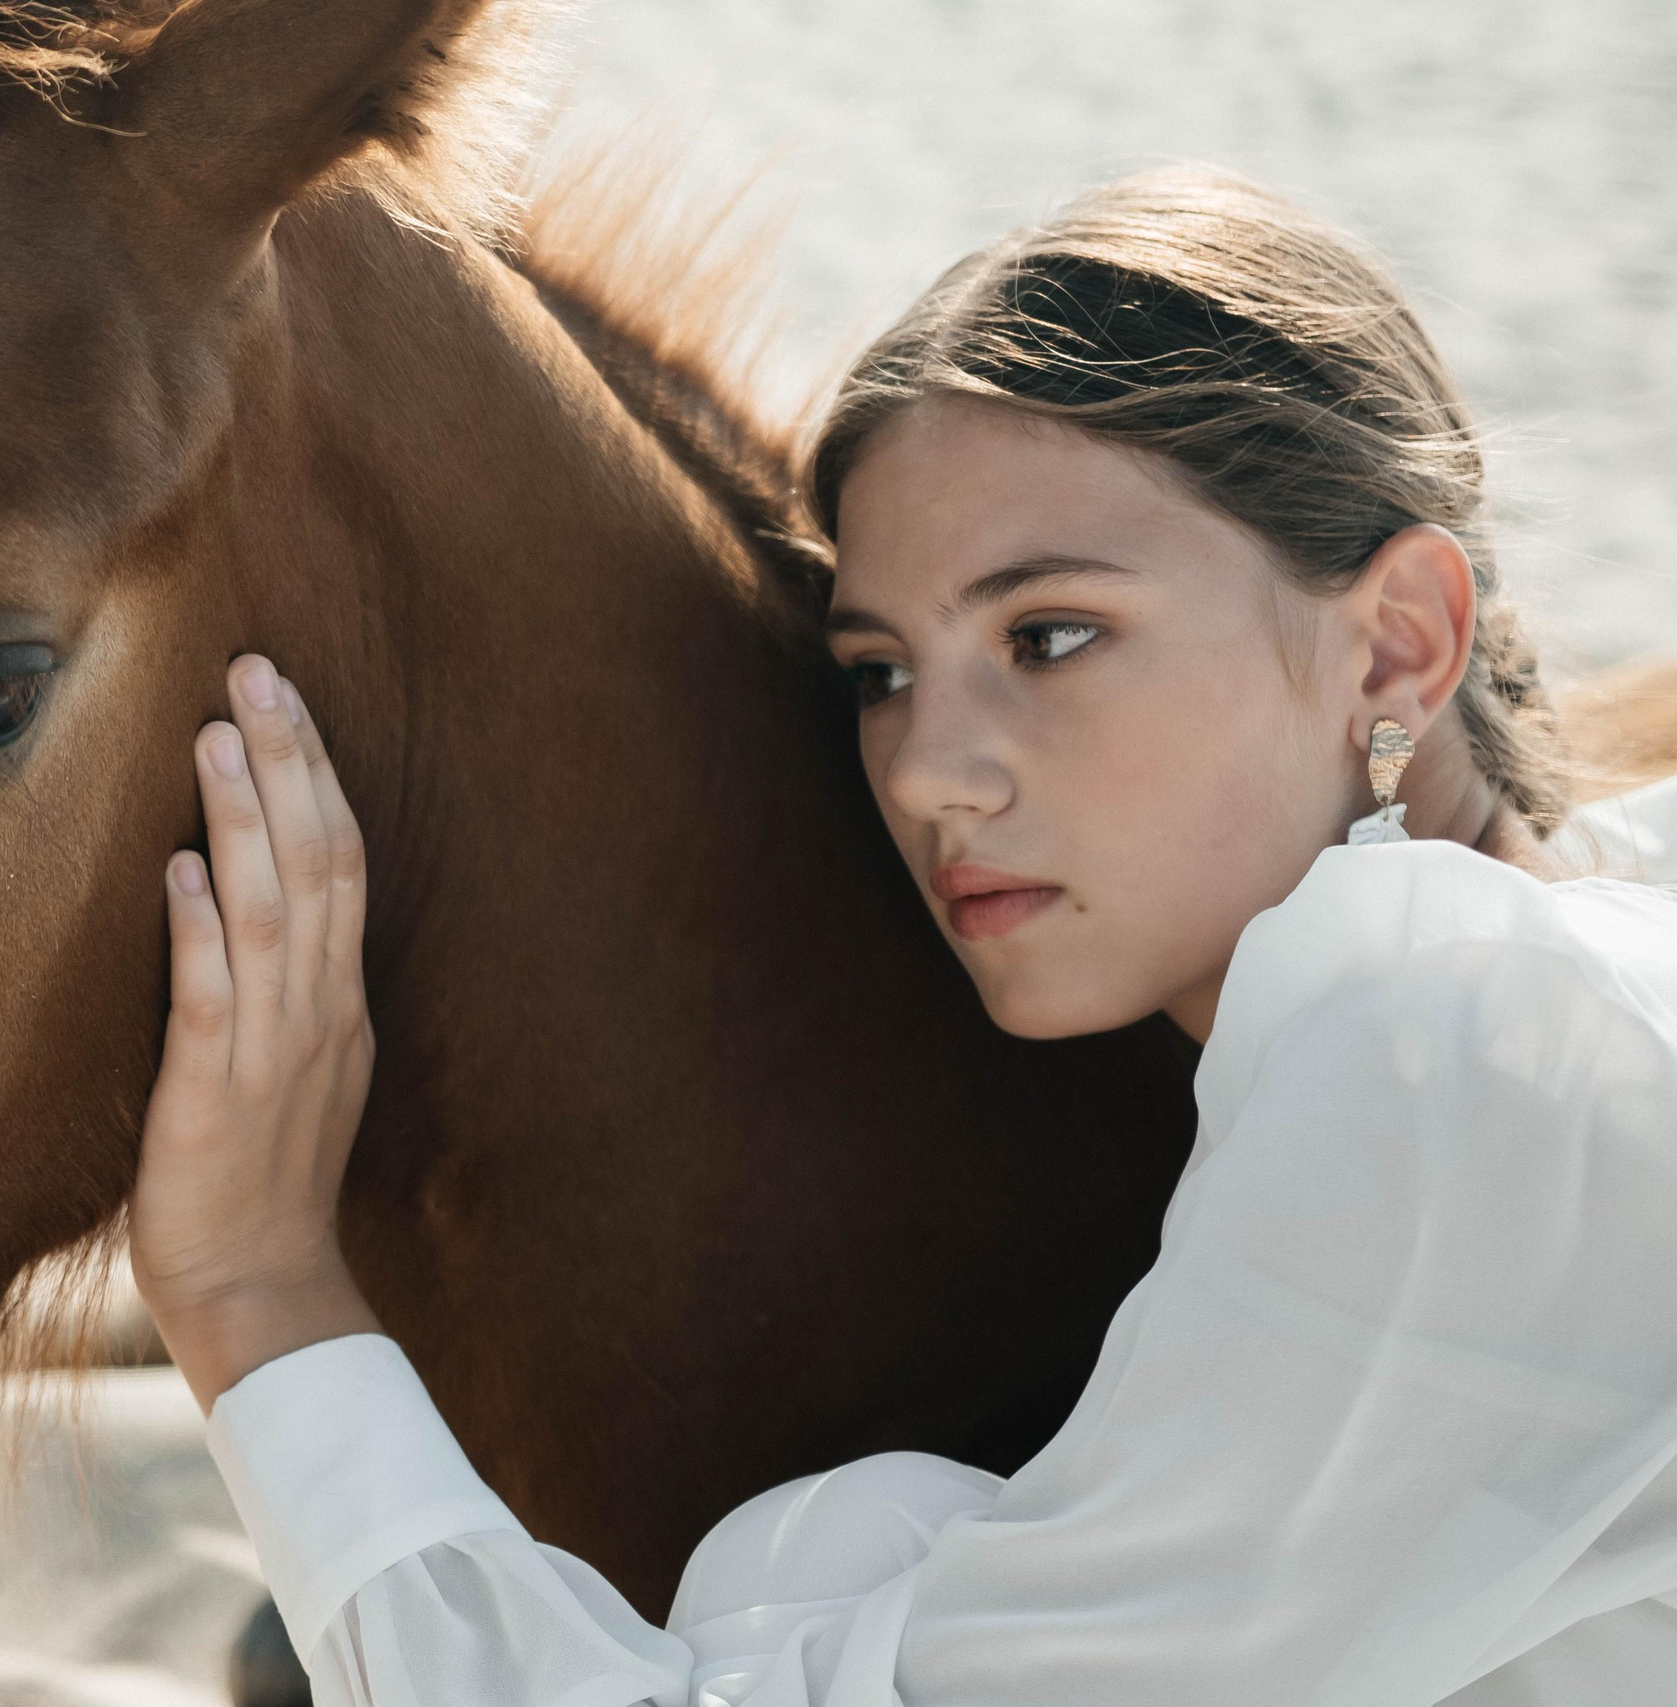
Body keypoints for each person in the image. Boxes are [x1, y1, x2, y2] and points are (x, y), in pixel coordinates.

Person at [123, 168, 1677, 1706]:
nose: (927, 772)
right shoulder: (1579, 956)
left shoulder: (1451, 1057)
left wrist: (254, 1290)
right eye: (879, 671)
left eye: (1047, 636)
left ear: (1399, 645)